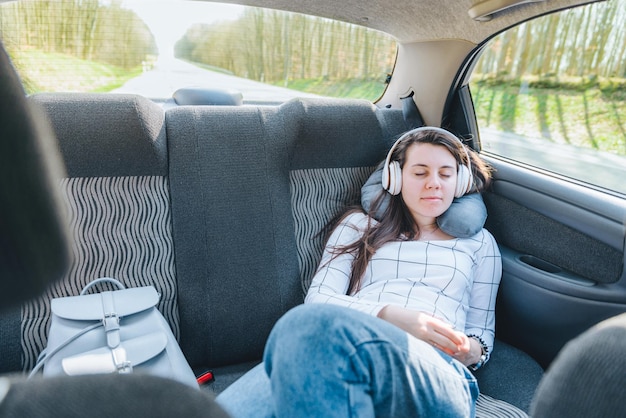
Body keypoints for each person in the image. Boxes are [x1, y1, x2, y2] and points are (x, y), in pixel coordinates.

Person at [216, 126, 501, 418]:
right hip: (349, 349)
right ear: (394, 178)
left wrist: (470, 351)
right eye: (420, 173)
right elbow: (319, 299)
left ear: (461, 181)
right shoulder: (357, 226)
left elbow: (481, 332)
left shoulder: (479, 243)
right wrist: (395, 317)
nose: (434, 183)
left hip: (436, 373)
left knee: (300, 330)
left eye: (445, 173)